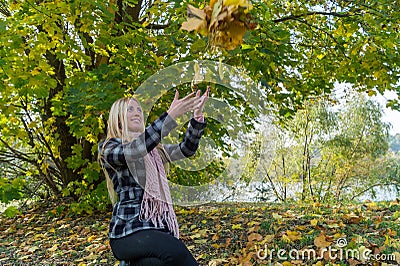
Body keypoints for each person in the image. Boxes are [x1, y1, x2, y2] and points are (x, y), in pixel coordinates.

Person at [98, 88, 209, 266]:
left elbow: (187, 149)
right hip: (129, 232)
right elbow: (135, 150)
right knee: (176, 250)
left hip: (157, 228)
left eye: (139, 109)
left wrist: (196, 119)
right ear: (117, 118)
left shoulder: (155, 151)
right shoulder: (109, 148)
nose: (137, 113)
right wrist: (170, 116)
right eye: (130, 109)